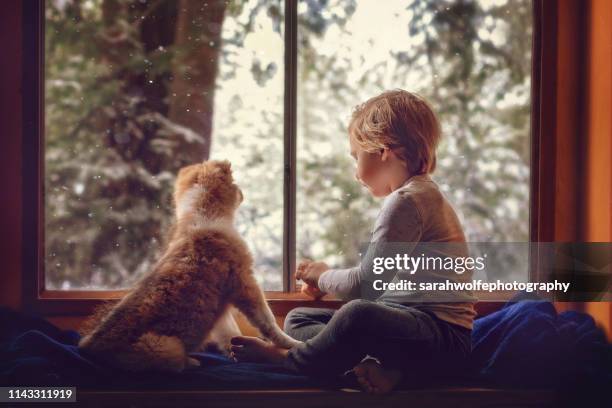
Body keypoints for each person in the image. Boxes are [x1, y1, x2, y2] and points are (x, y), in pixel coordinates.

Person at [230, 89, 477, 394]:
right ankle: (380, 370)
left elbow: (365, 286)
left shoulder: (408, 200)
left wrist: (322, 276)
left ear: (383, 149)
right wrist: (327, 281)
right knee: (300, 318)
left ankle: (289, 360)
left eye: (356, 155)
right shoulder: (417, 195)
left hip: (442, 340)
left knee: (356, 314)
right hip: (416, 338)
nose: (355, 170)